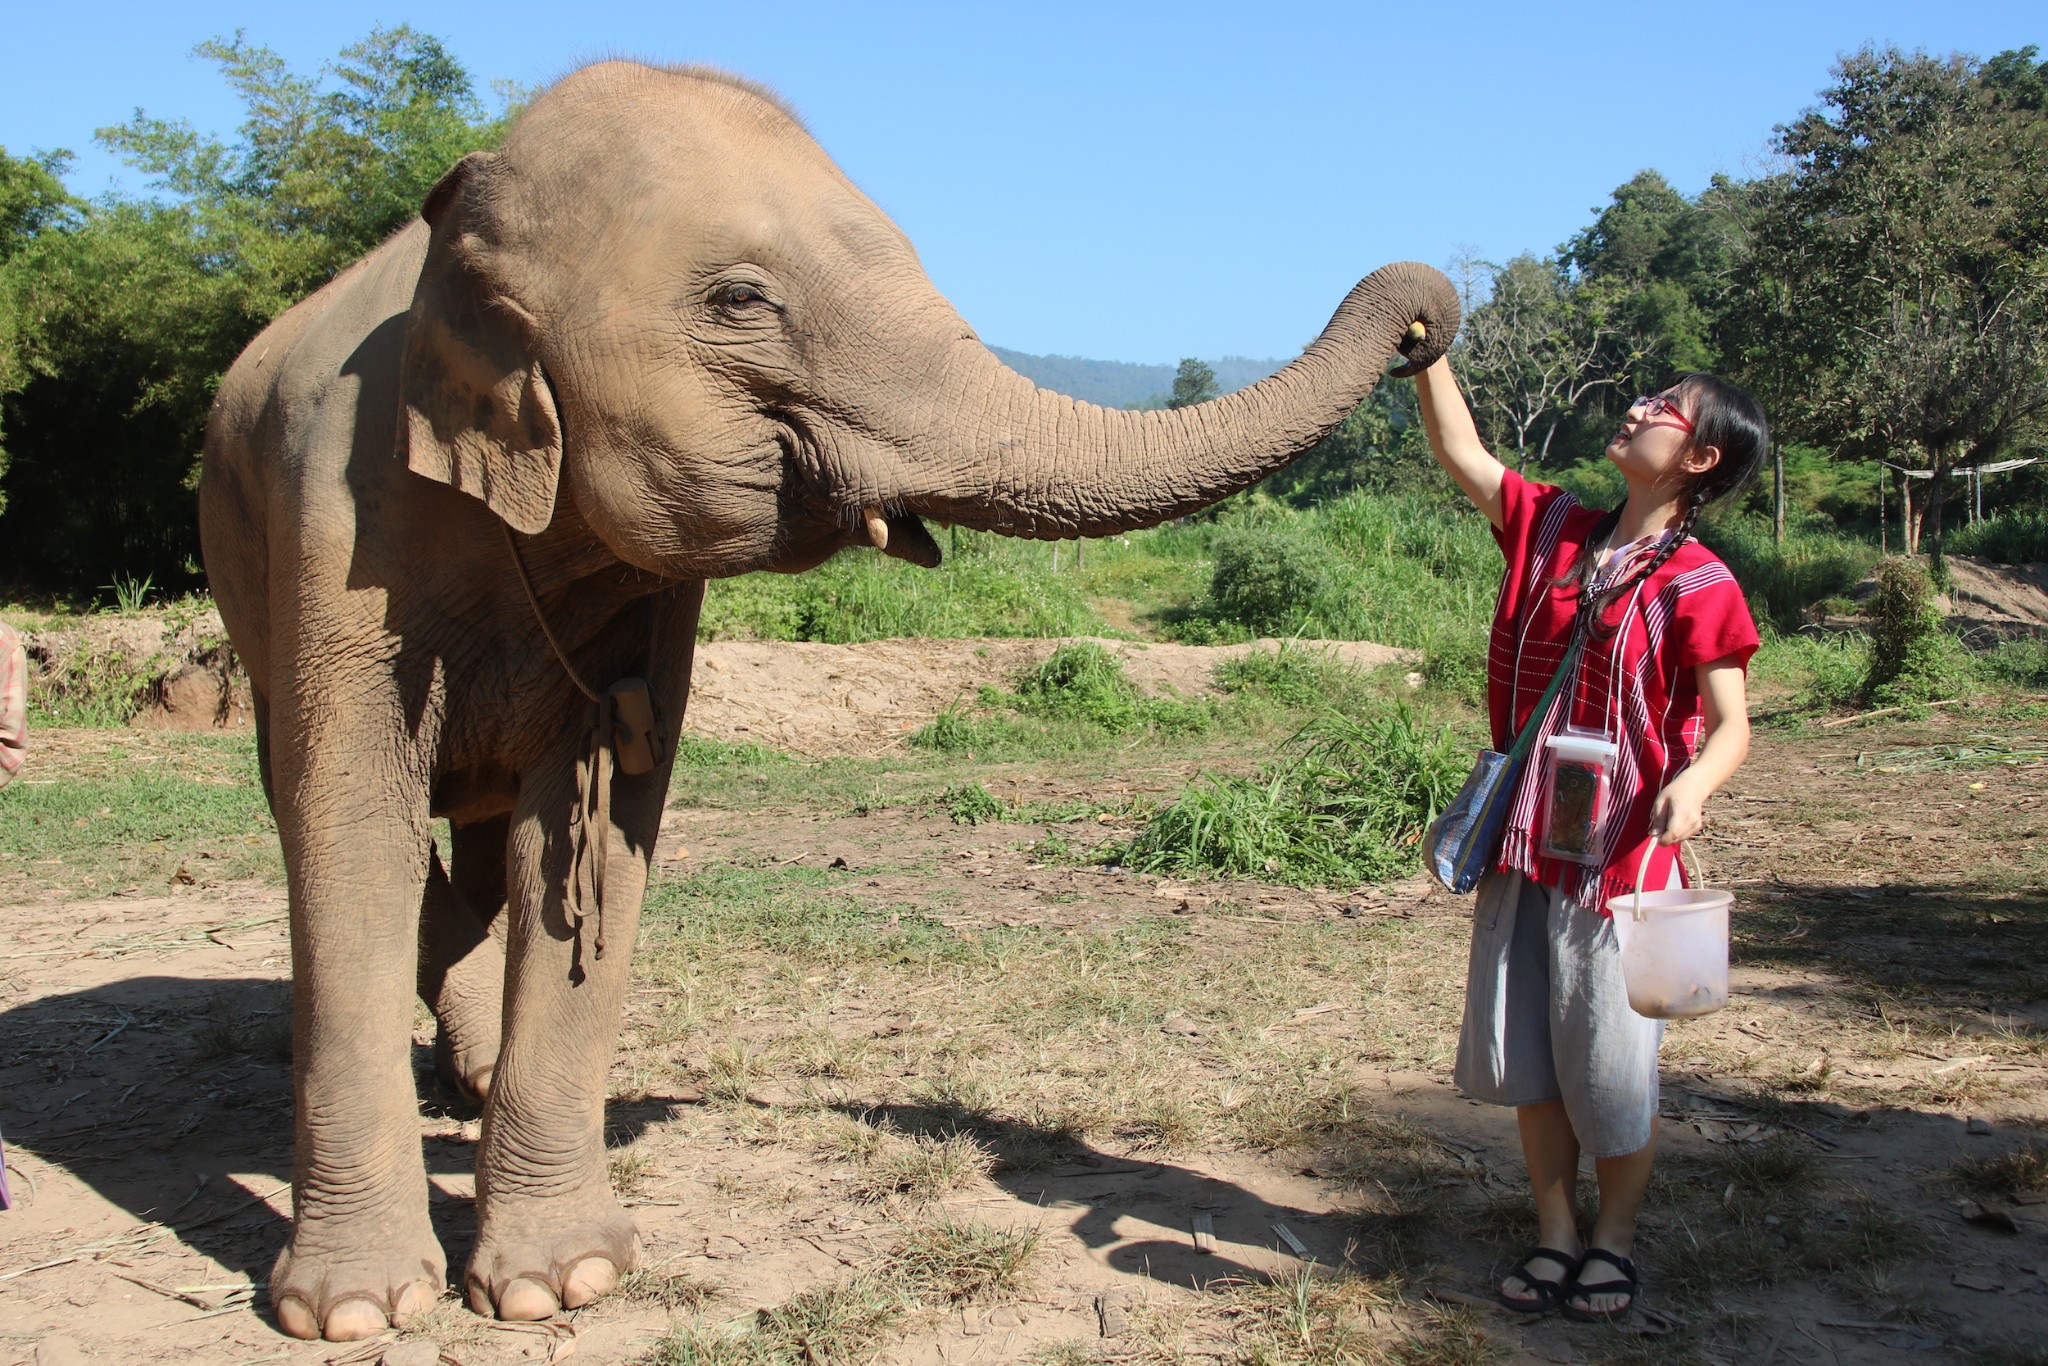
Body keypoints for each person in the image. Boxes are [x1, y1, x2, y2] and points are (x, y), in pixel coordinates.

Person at [1414, 356, 1766, 1322]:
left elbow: (1731, 723)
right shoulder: (1556, 531)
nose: (1639, 412)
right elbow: (1462, 453)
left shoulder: (1701, 581)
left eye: (1666, 412)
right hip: (1528, 844)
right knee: (1534, 1052)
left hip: (1621, 861)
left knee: (1610, 1065)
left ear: (1699, 457)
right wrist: (1426, 355)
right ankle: (1554, 1229)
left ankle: (1614, 1240)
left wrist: (1693, 786)